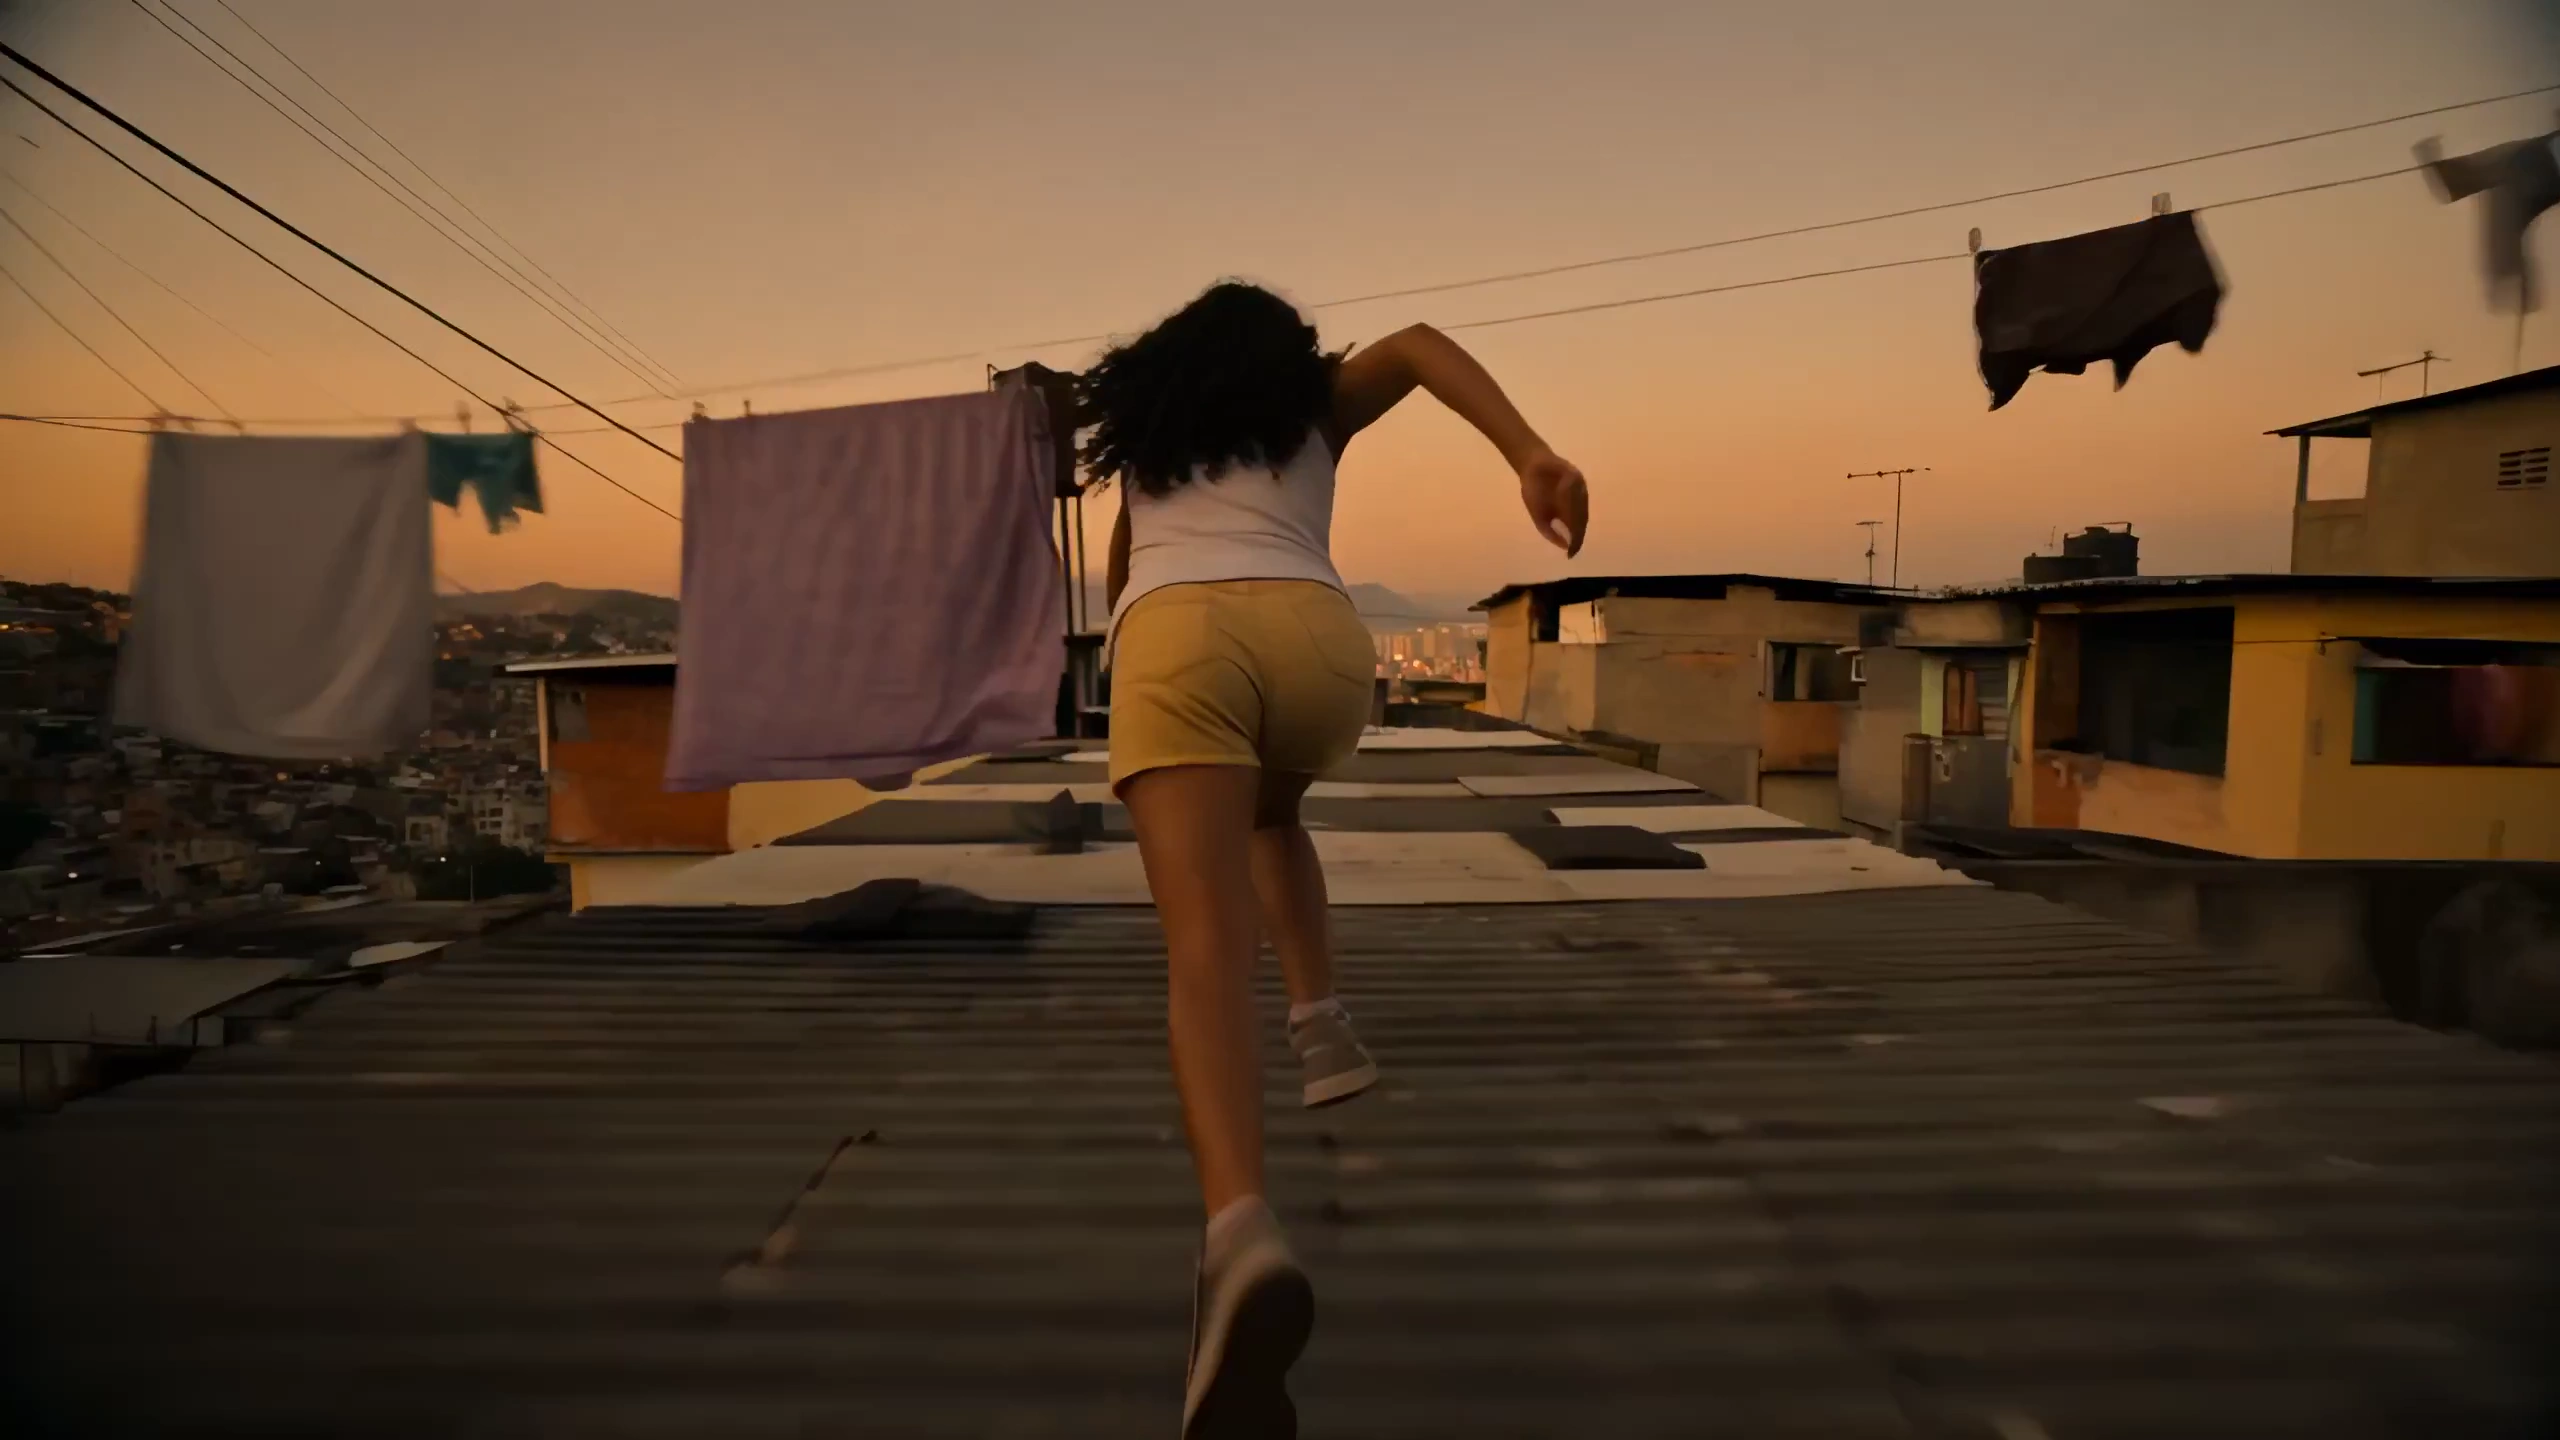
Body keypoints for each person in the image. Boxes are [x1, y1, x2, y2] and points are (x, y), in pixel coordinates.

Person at [1083, 280, 1589, 1437]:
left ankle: (1239, 1232)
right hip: (1318, 646)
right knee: (1272, 814)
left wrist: (1137, 659)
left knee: (1204, 948)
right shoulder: (1313, 406)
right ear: (1285, 355)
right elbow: (1413, 344)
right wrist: (1530, 453)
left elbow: (1121, 578)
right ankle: (1322, 1025)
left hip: (1179, 637)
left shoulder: (1150, 447)